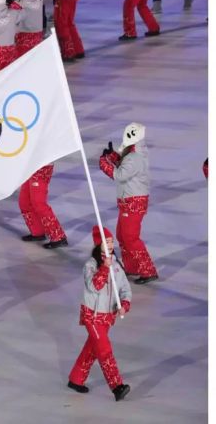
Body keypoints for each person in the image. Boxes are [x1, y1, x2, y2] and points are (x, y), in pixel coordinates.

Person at [67, 226, 132, 402]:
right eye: (106, 242)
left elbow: (125, 289)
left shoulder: (117, 265)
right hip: (92, 316)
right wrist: (104, 267)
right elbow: (94, 286)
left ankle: (76, 379)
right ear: (99, 245)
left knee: (92, 349)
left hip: (108, 316)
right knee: (104, 350)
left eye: (111, 241)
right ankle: (117, 386)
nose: (110, 245)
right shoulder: (91, 265)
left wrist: (124, 305)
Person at [99, 123, 158, 284]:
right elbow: (125, 165)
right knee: (122, 236)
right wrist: (113, 157)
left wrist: (104, 163)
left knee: (130, 237)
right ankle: (133, 267)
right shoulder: (134, 154)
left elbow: (120, 175)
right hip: (129, 201)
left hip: (133, 202)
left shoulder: (135, 157)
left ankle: (148, 270)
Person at [19, 164, 68, 248]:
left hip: (41, 168)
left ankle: (58, 237)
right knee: (25, 201)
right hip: (29, 166)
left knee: (39, 203)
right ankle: (37, 232)